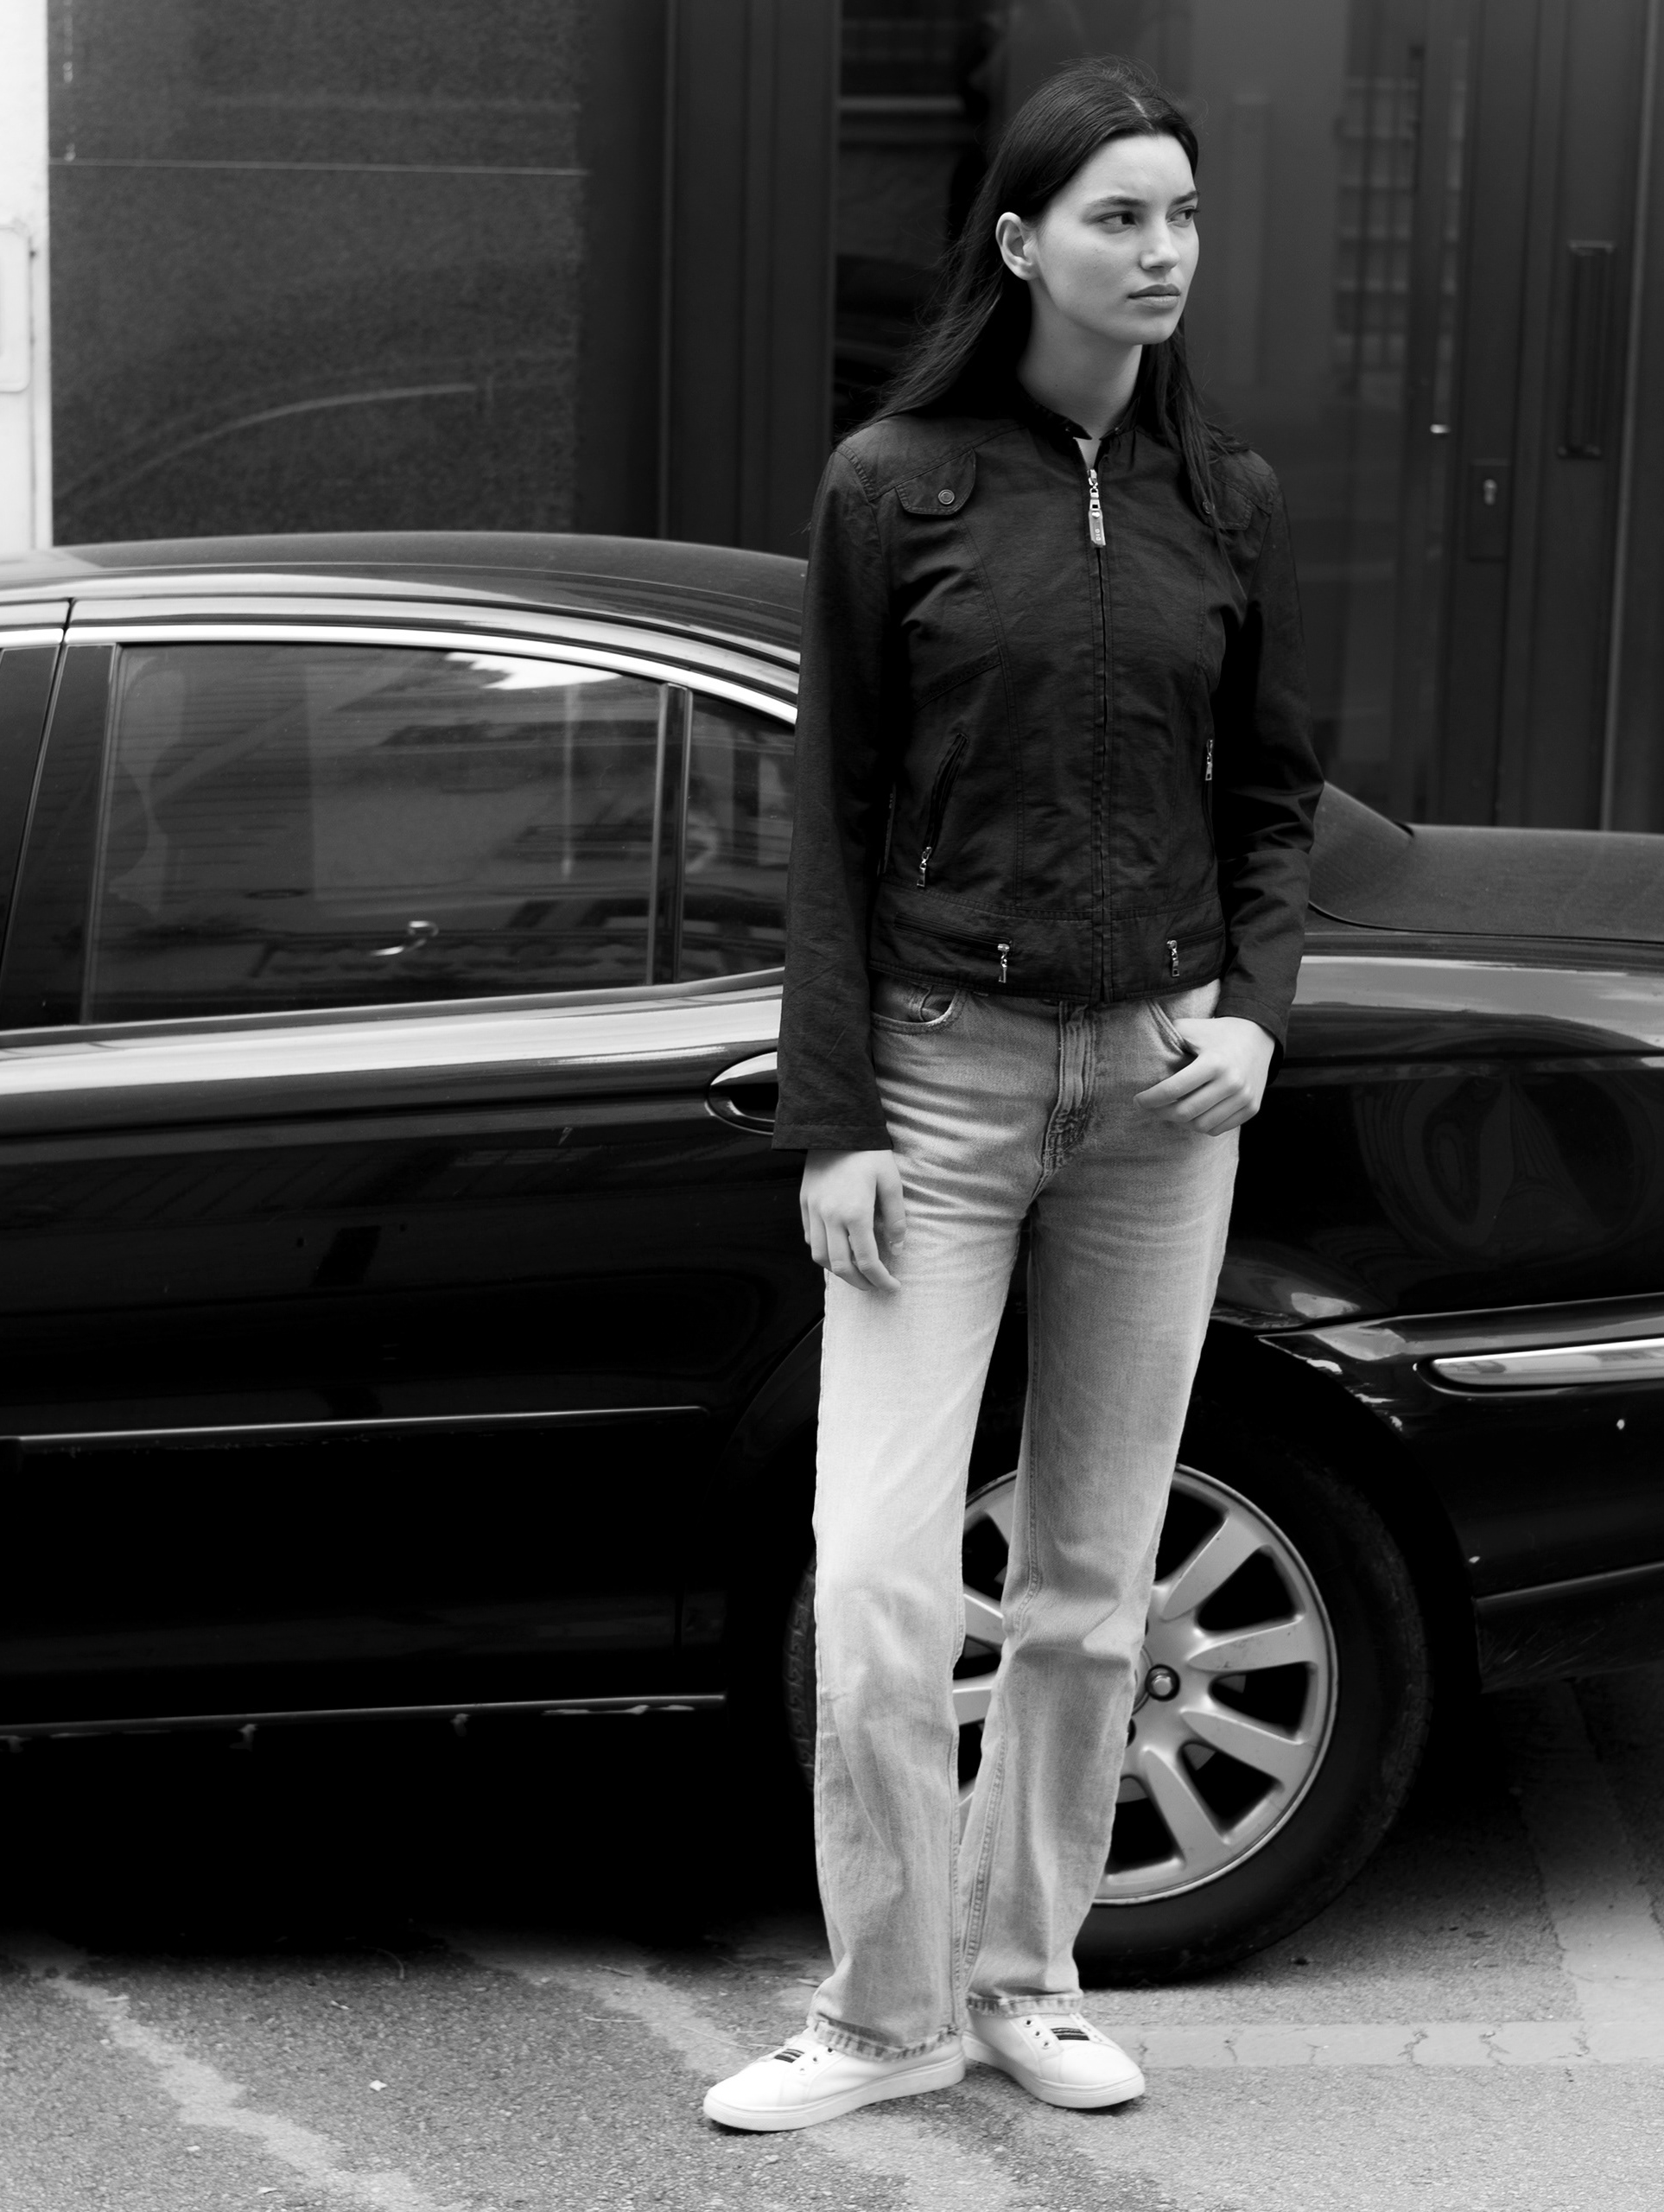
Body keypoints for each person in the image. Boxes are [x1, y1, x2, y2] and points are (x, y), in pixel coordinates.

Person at [702, 55, 1320, 2133]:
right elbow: (826, 818)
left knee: (1085, 1585)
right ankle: (878, 2011)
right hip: (937, 1087)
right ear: (1018, 241)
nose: (1160, 253)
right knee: (883, 1588)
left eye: (1180, 216)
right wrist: (833, 1117)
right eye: (1116, 217)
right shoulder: (893, 486)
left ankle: (1023, 1975)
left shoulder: (1222, 496)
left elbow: (1270, 798)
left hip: (1155, 1094)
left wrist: (1255, 1010)